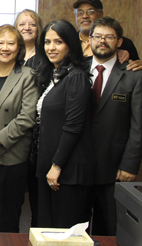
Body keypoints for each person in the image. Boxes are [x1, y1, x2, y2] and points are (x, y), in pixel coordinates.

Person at [87, 17, 142, 235]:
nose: (102, 41)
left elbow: (139, 127)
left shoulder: (135, 77)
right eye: (98, 36)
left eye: (109, 37)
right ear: (89, 40)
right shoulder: (75, 71)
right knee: (76, 228)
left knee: (110, 228)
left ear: (119, 42)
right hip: (78, 166)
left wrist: (130, 165)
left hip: (114, 167)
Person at [0, 25, 40, 232]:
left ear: (18, 47)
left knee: (7, 216)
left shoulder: (29, 75)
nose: (5, 48)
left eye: (11, 43)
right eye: (0, 43)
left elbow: (27, 117)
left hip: (12, 158)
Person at [34, 20, 94, 228]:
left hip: (66, 172)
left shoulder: (77, 77)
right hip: (50, 166)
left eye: (58, 42)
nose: (51, 47)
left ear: (70, 44)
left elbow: (73, 126)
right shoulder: (54, 76)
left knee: (65, 233)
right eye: (47, 42)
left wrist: (56, 166)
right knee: (47, 231)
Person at [13, 9, 43, 227]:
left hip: (36, 131)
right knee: (13, 194)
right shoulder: (10, 53)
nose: (27, 27)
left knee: (36, 191)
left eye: (31, 24)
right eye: (22, 24)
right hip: (10, 132)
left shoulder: (45, 56)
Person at [72, 0, 142, 71]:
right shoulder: (68, 43)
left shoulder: (124, 44)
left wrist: (137, 66)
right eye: (80, 12)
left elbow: (135, 70)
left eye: (91, 11)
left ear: (101, 14)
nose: (85, 16)